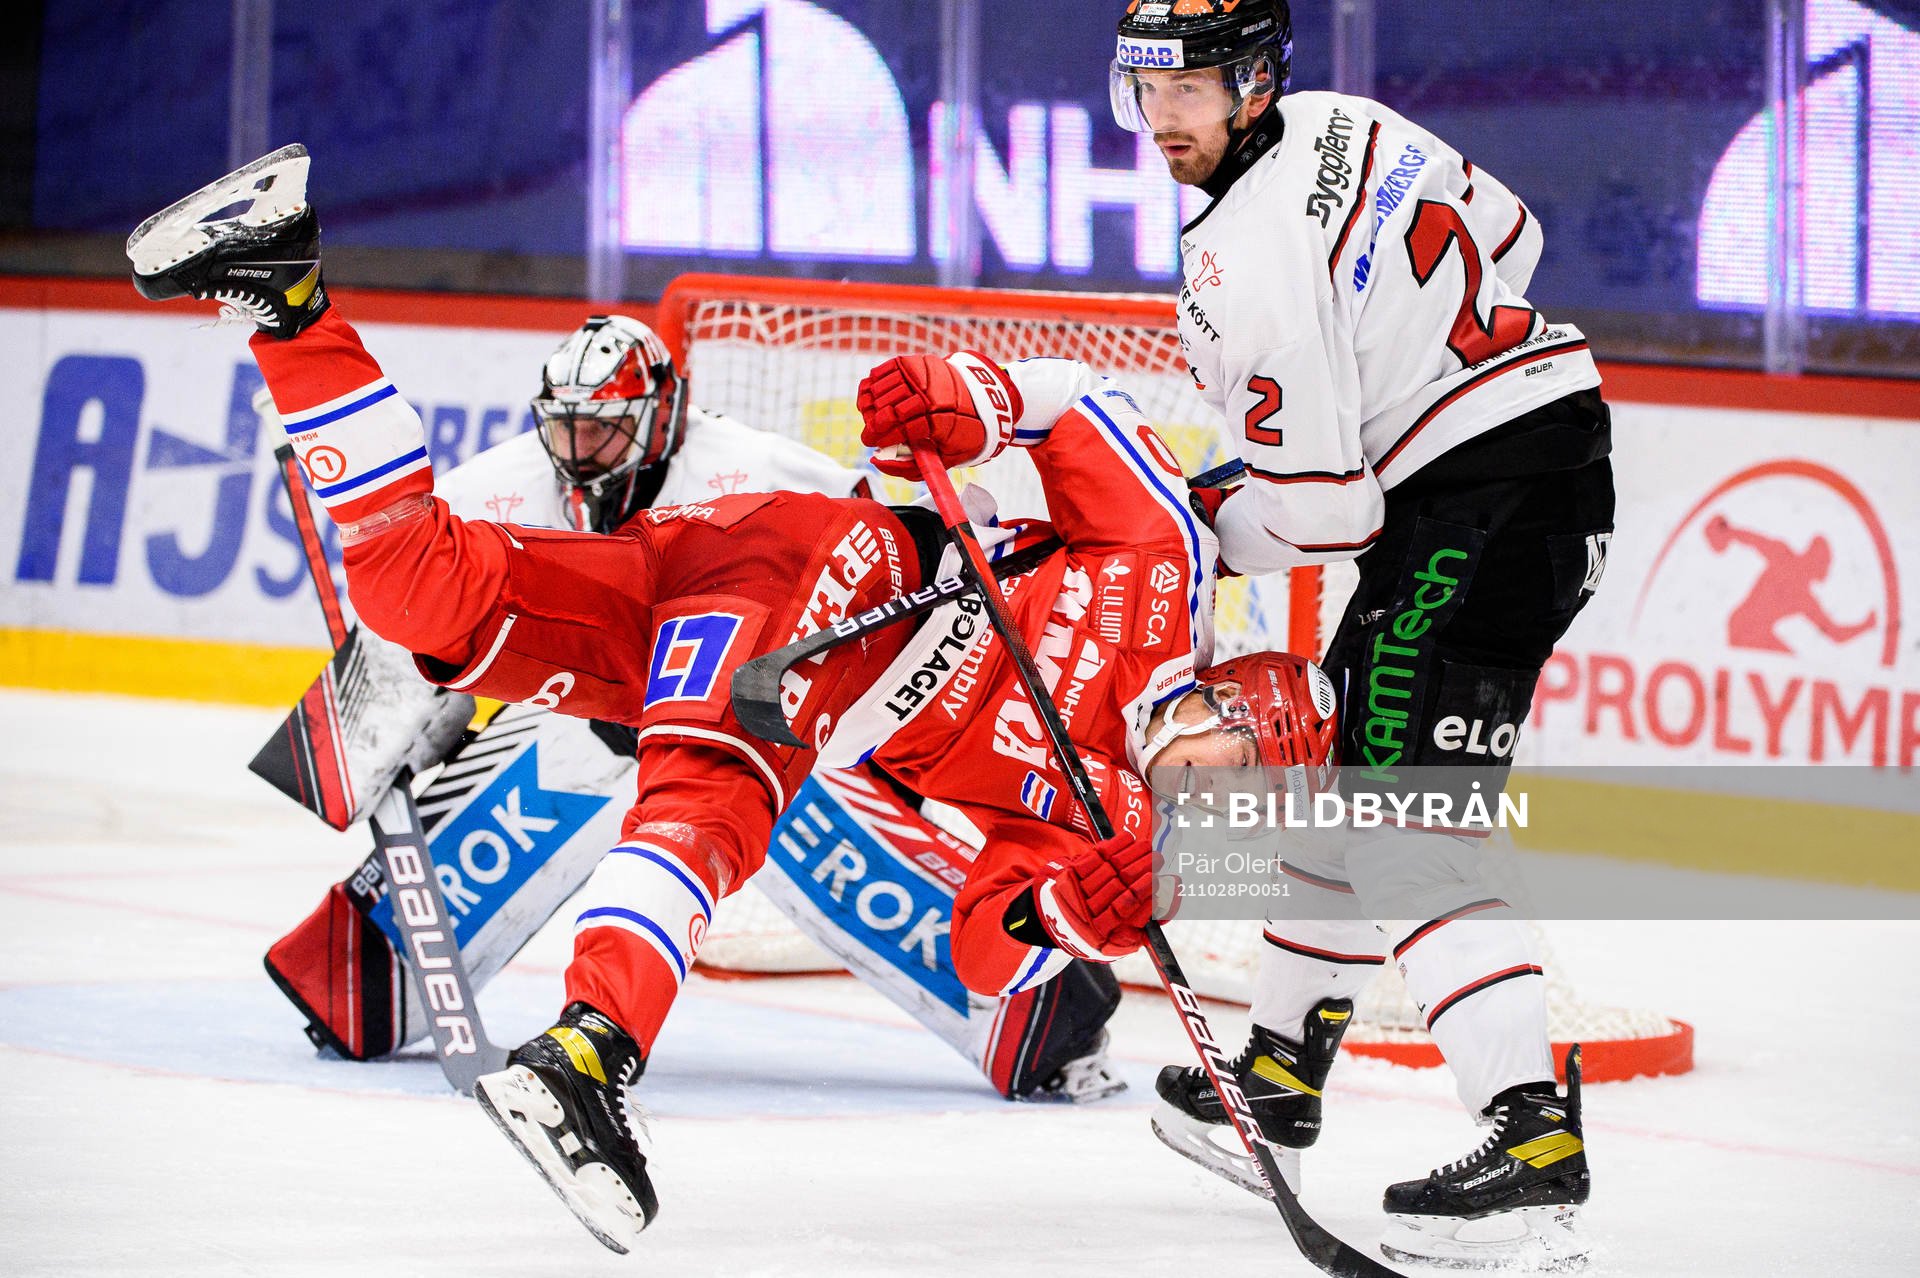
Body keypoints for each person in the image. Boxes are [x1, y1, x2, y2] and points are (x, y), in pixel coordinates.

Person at [126, 145, 1338, 1253]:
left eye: (1238, 802)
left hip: (717, 617)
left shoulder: (1105, 825)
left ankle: (284, 295)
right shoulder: (1163, 572)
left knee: (419, 589)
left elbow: (982, 939)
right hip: (835, 582)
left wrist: (1068, 917)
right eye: (1238, 768)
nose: (1211, 793)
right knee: (713, 799)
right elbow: (1086, 418)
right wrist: (973, 398)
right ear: (1236, 700)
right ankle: (586, 1057)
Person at [256, 308, 1127, 1106]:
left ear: (660, 417)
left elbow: (880, 624)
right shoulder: (501, 482)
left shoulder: (766, 472)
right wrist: (387, 741)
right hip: (599, 701)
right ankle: (362, 970)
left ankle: (1041, 1018)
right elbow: (425, 623)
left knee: (755, 806)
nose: (582, 448)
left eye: (603, 427)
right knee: (578, 762)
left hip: (776, 712)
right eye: (567, 426)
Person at [1110, 1, 1613, 1267]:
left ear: (1255, 82)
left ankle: (1531, 1136)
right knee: (1348, 787)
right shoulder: (1352, 122)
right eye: (1146, 90)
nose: (1165, 118)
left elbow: (1331, 514)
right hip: (1531, 459)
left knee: (1404, 816)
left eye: (1192, 90)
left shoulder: (1237, 257)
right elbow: (1515, 235)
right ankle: (1277, 1072)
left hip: (1479, 500)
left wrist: (1199, 522)